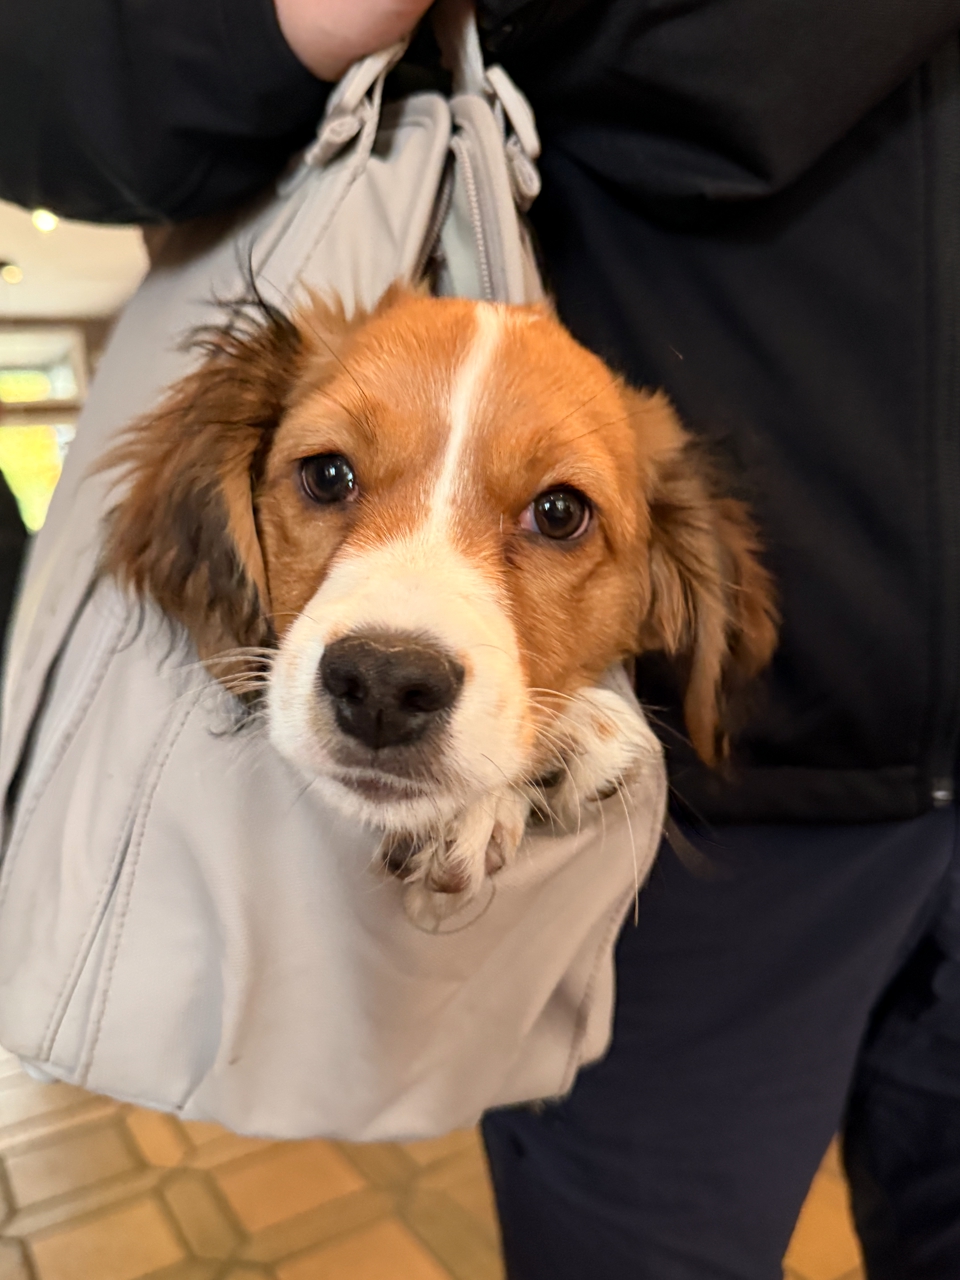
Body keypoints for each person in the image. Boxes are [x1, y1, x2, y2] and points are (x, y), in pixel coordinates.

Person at [3, 1, 960, 1275]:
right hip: (733, 840)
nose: (398, 634)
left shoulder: (674, 527)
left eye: (555, 515)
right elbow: (45, 87)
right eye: (331, 477)